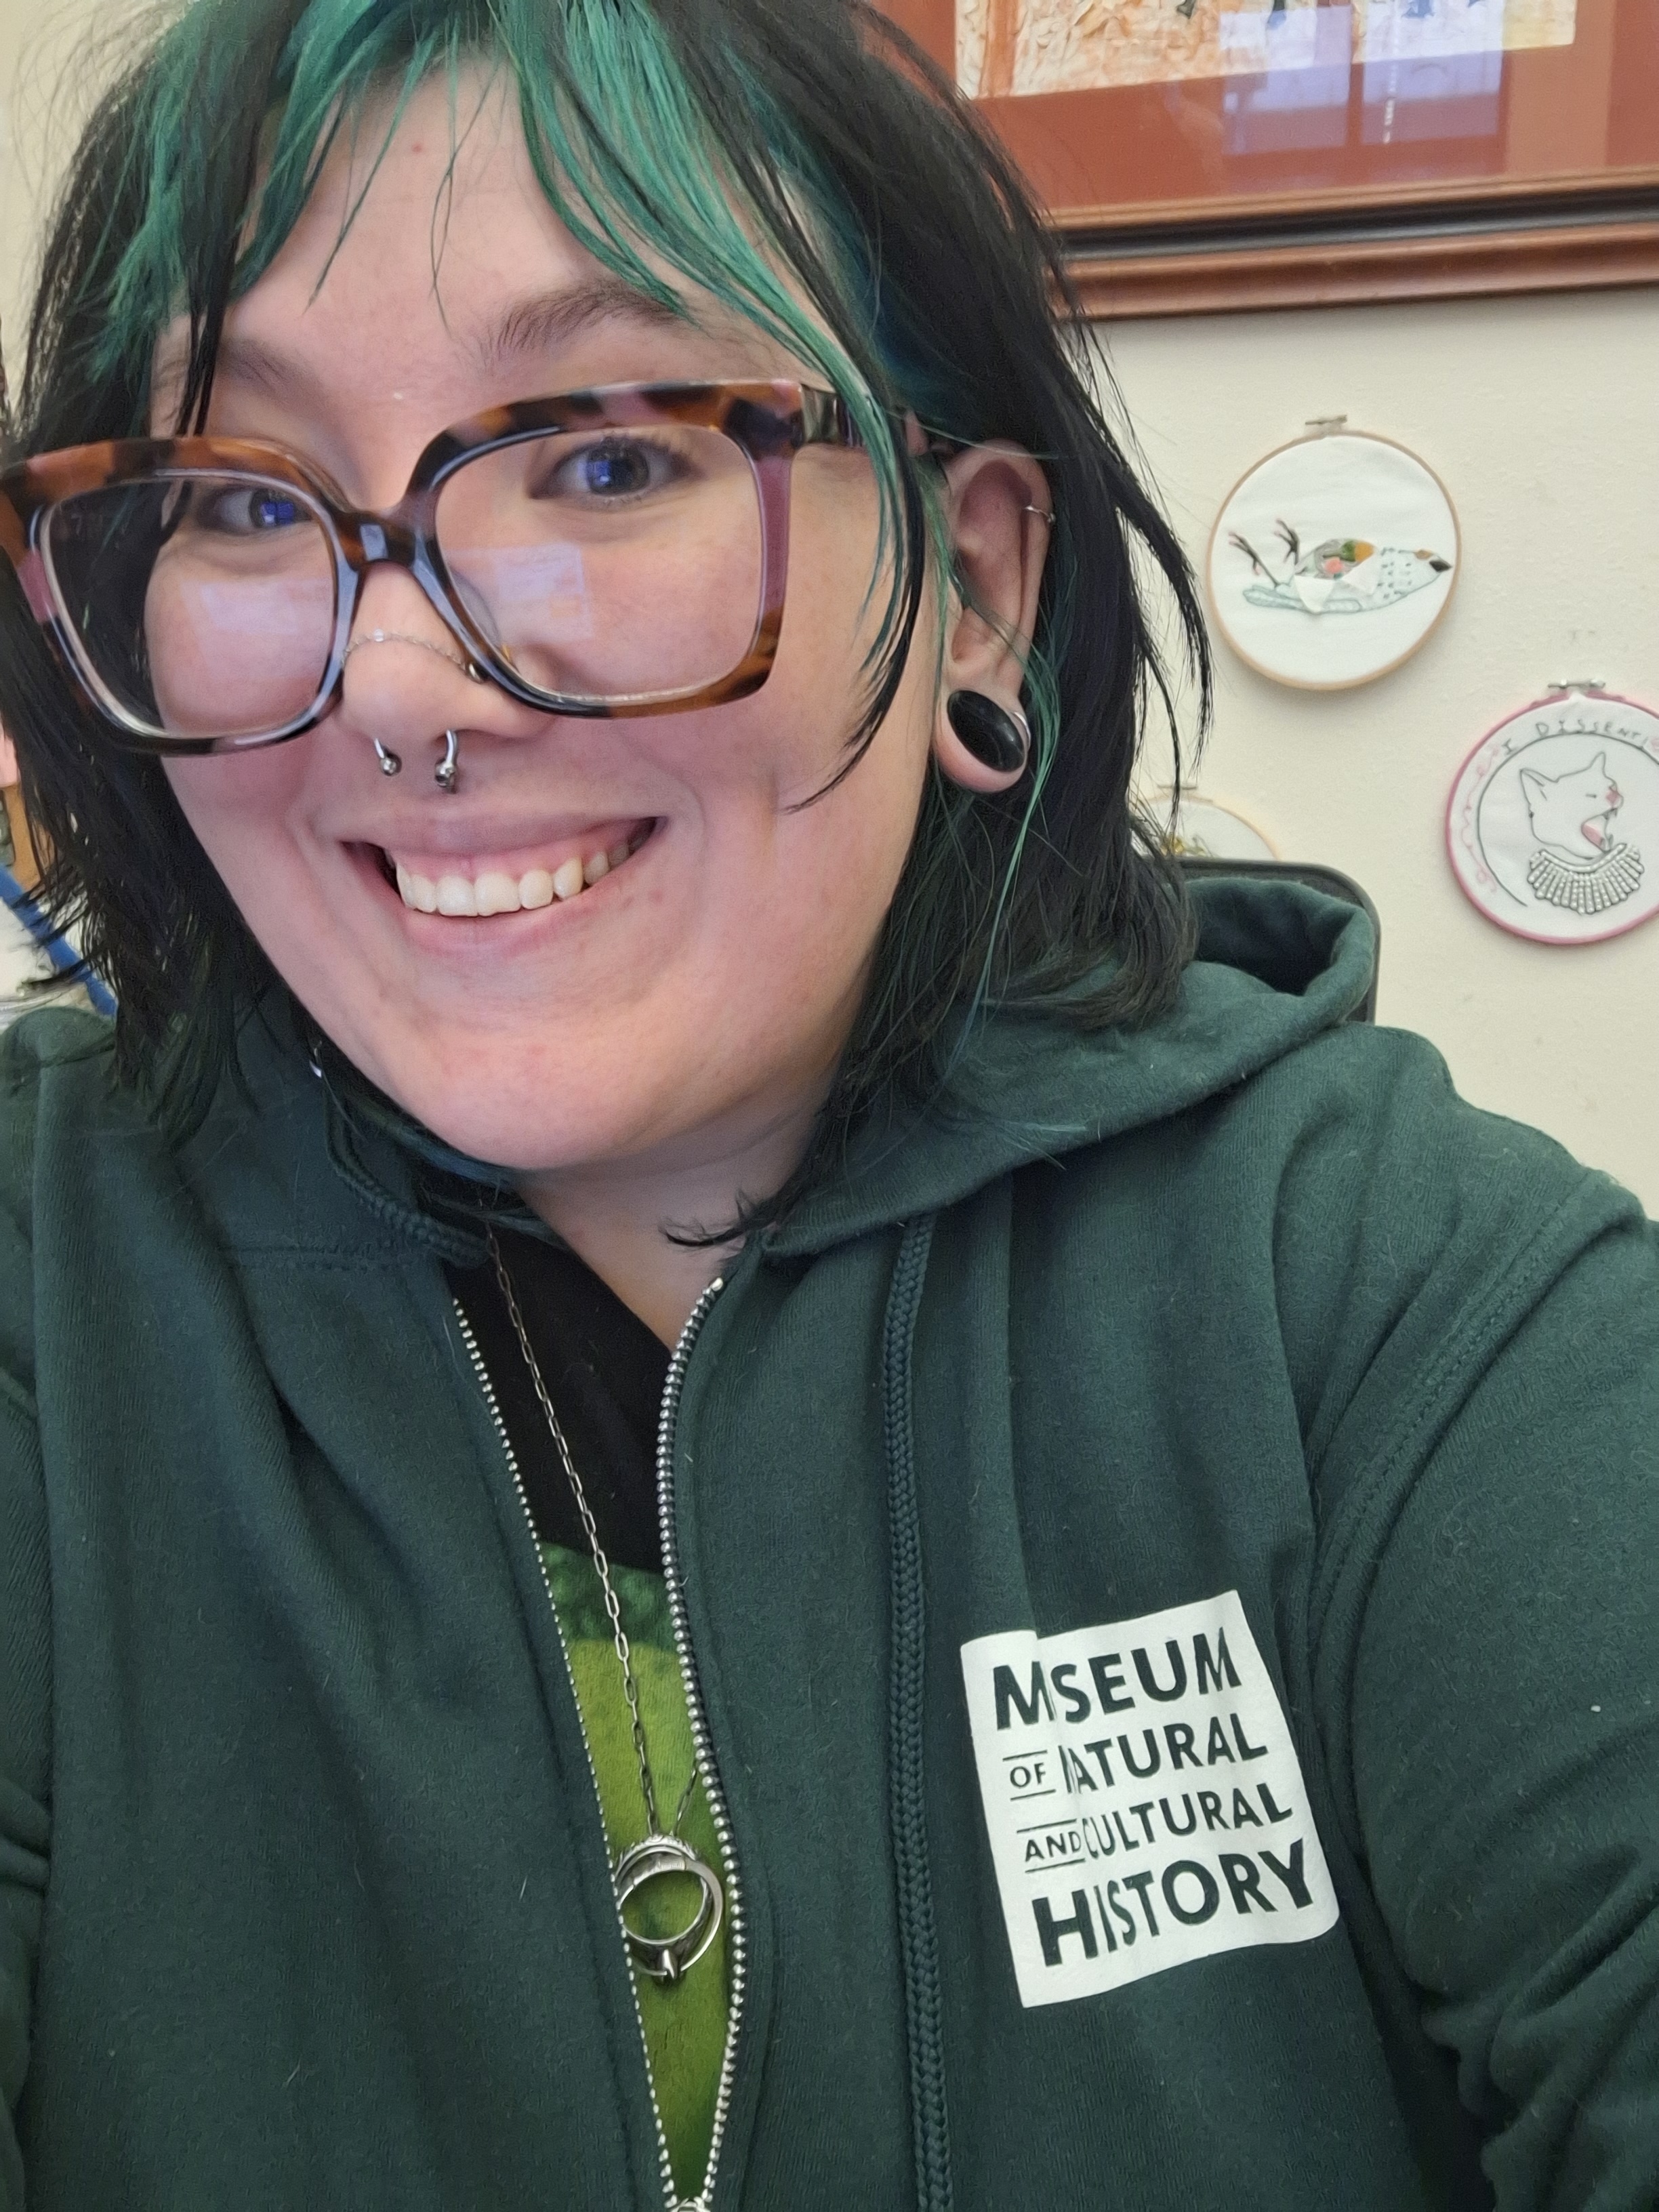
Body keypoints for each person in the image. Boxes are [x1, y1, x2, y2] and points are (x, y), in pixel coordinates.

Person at [0, 1, 1653, 2206]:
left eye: (603, 456)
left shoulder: (1420, 1316)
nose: (397, 687)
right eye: (232, 496)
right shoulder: (45, 1297)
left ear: (973, 584)